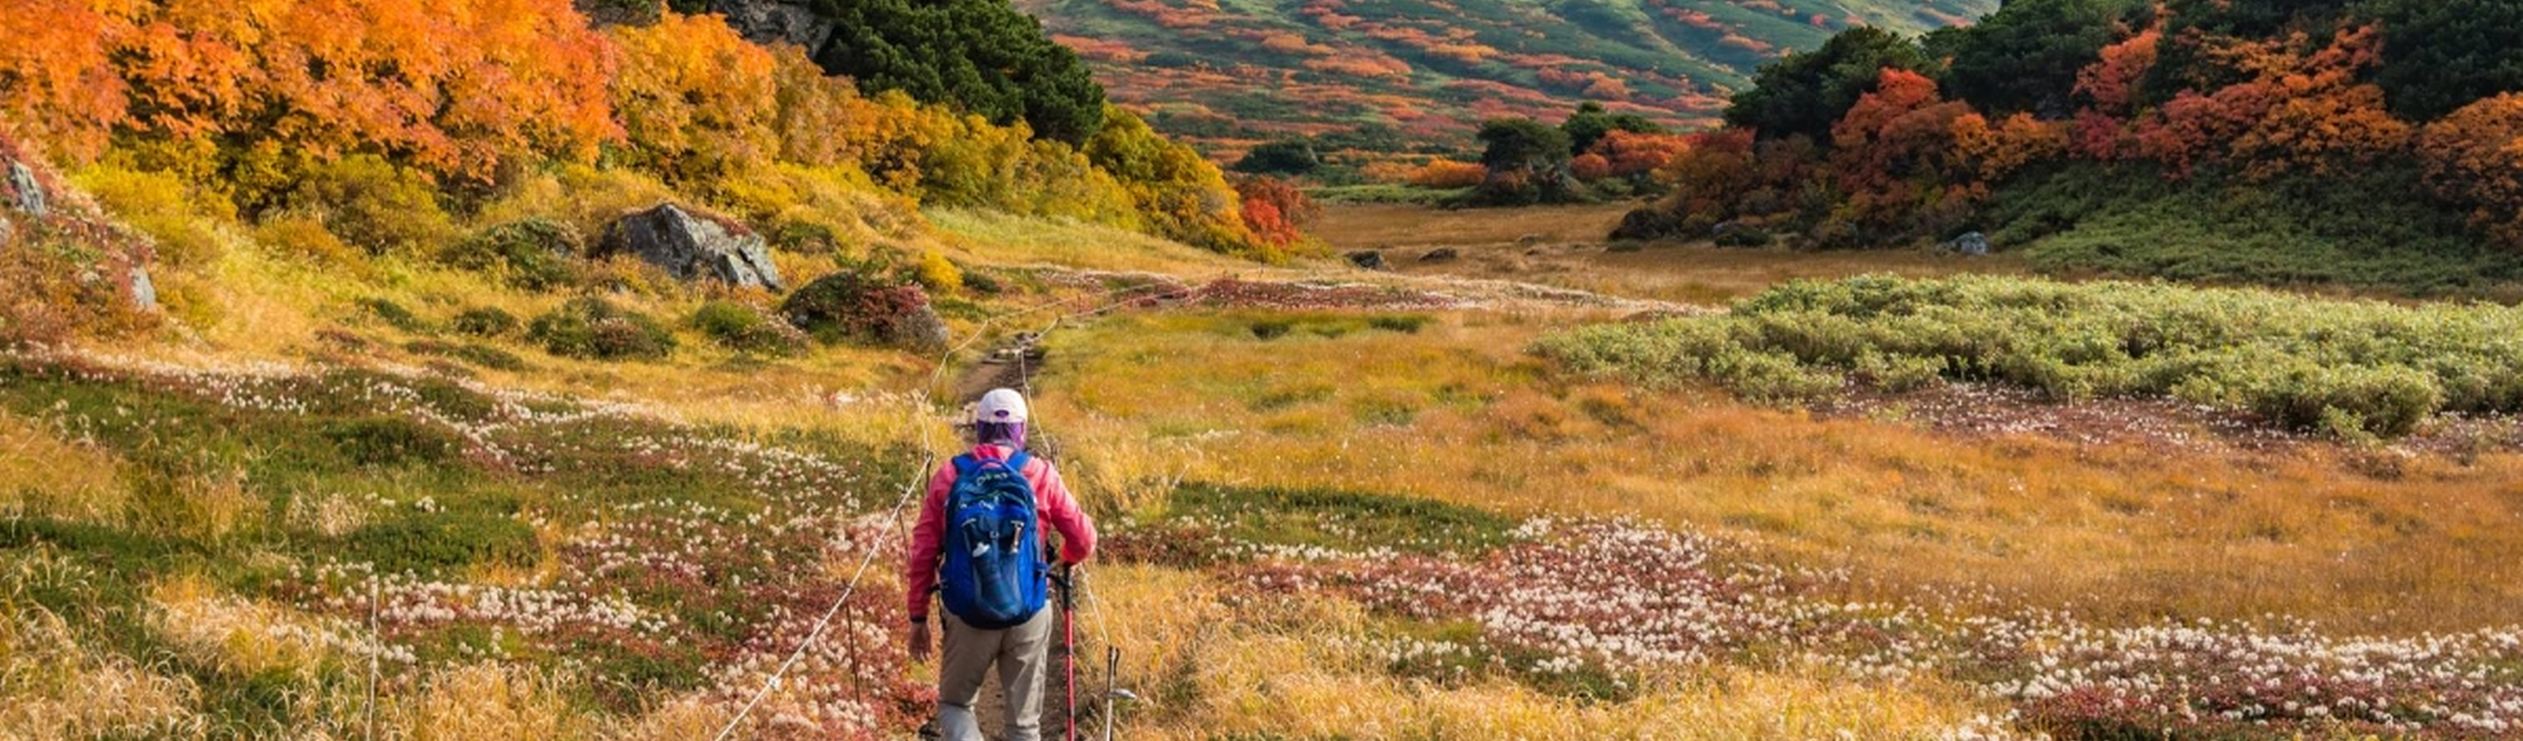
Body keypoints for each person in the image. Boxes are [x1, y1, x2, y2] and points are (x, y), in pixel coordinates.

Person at [905, 388, 1097, 741]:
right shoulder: (1040, 473)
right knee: (1023, 725)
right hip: (1029, 607)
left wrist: (918, 618)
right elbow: (1084, 539)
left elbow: (924, 551)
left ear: (979, 428)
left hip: (967, 611)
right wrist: (1063, 562)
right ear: (1021, 430)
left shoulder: (949, 475)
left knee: (955, 706)